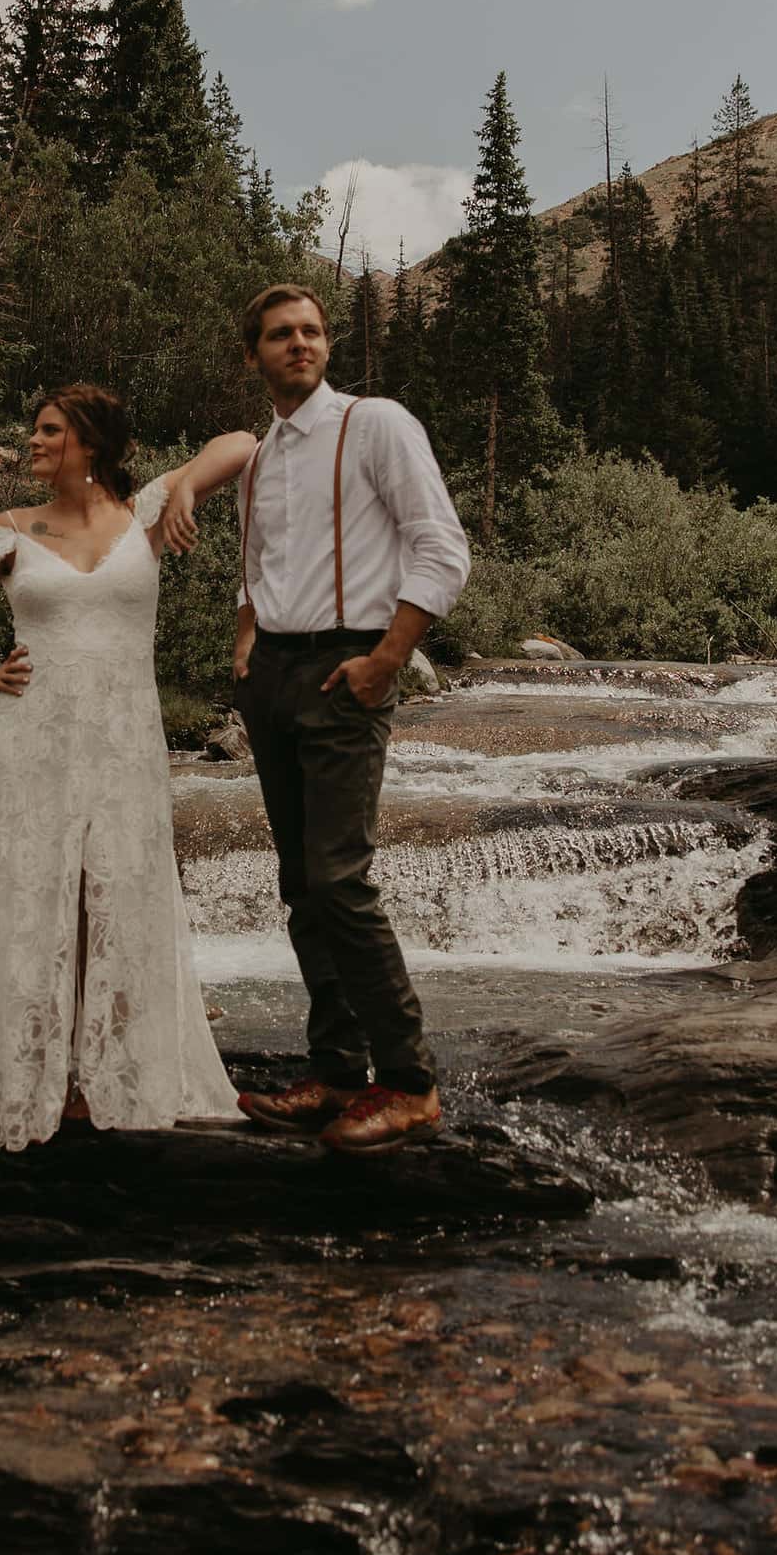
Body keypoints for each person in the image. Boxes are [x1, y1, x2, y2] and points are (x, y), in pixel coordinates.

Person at [0, 382, 255, 1172]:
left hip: (126, 740)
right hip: (31, 739)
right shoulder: (8, 532)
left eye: (49, 429)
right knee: (38, 894)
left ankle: (108, 1070)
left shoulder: (148, 514)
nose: (32, 441)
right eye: (34, 428)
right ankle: (41, 1074)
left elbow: (242, 443)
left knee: (115, 893)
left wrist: (190, 484)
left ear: (90, 443)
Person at [218, 282, 471, 1155]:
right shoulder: (259, 457)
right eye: (281, 334)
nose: (301, 344)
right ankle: (336, 1073)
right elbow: (258, 562)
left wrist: (388, 658)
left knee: (339, 878)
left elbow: (442, 545)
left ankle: (409, 1083)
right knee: (300, 886)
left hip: (348, 663)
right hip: (275, 675)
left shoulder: (376, 423)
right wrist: (246, 645)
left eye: (313, 332)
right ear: (253, 354)